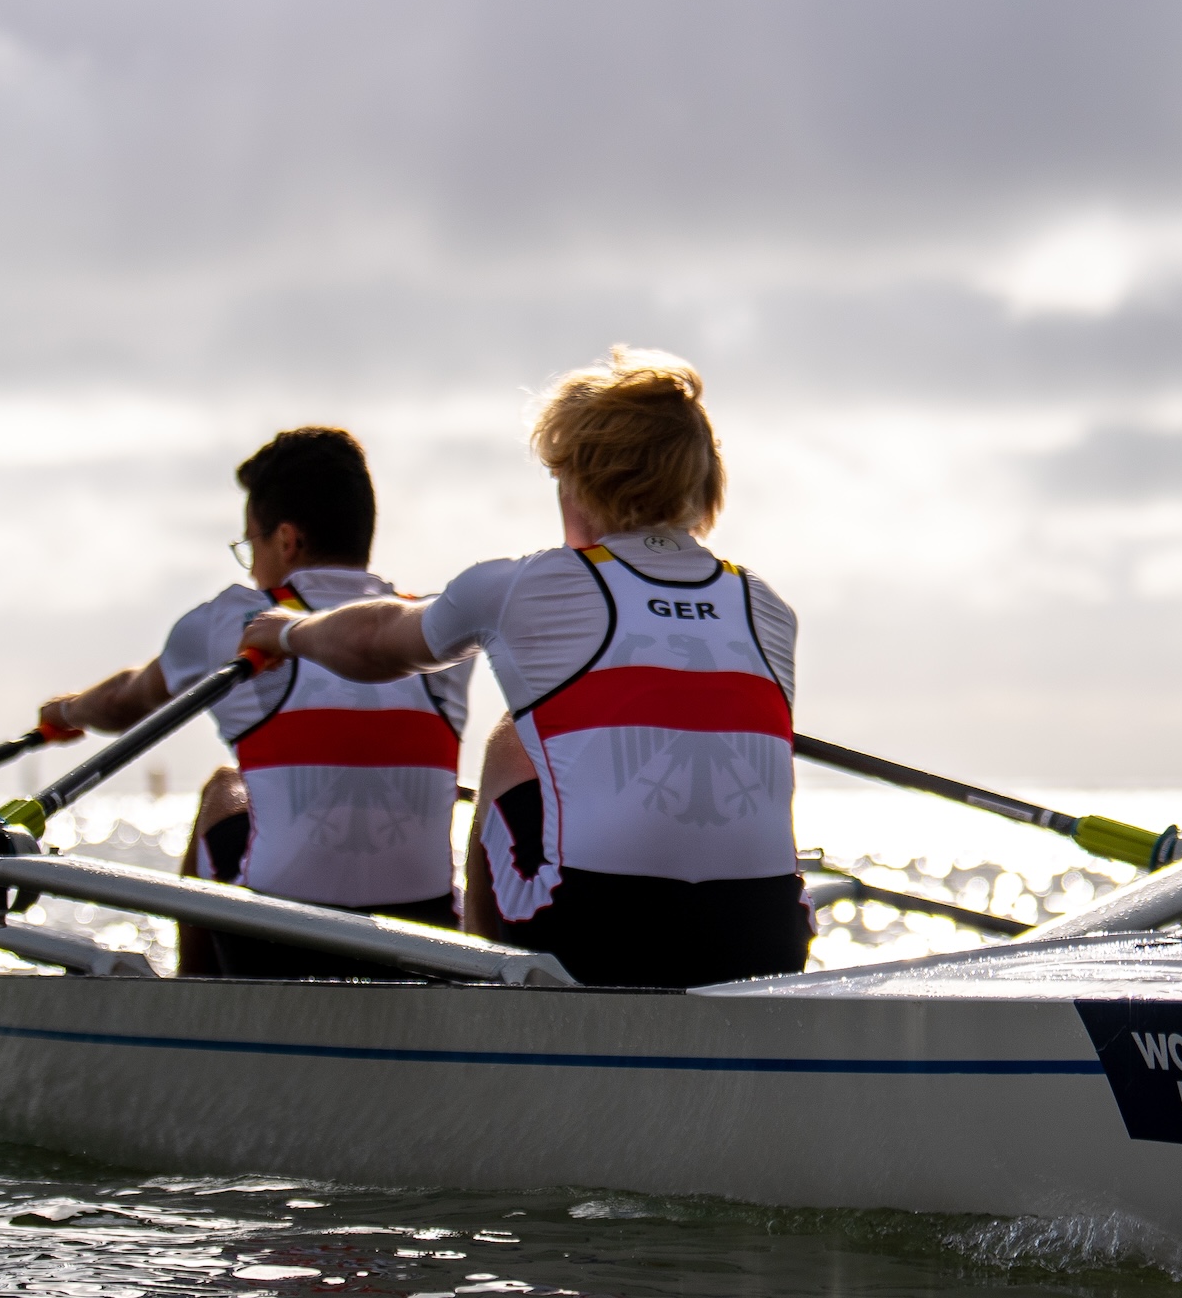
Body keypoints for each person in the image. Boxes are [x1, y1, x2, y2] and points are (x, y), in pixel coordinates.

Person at [244, 350, 807, 989]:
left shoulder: (525, 586)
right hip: (769, 942)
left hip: (595, 939)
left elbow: (374, 643)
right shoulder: (768, 607)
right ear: (703, 486)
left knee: (512, 739)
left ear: (578, 480)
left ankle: (481, 992)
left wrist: (287, 632)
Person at [38, 427, 471, 977]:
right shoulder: (435, 628)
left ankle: (193, 1008)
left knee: (225, 787)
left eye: (251, 545)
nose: (250, 566)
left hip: (276, 940)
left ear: (286, 539)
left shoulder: (231, 623)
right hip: (428, 940)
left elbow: (127, 702)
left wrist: (67, 712)